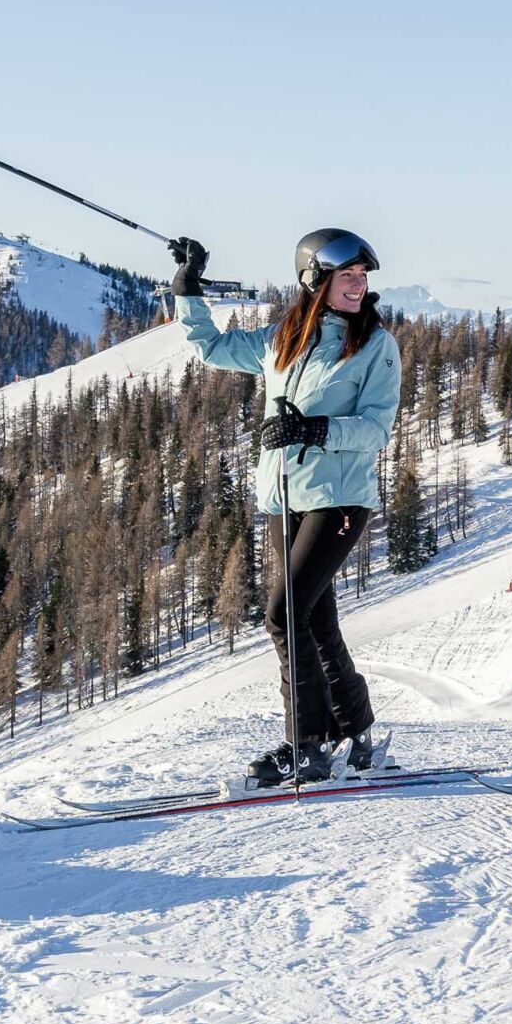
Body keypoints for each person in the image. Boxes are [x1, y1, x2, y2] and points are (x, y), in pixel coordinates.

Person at [168, 229, 400, 787]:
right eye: (347, 276)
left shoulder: (374, 345)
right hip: (283, 499)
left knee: (284, 615)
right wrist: (187, 287)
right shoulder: (284, 339)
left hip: (337, 500)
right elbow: (212, 348)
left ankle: (306, 746)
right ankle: (358, 734)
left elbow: (376, 428)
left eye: (362, 277)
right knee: (315, 617)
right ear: (314, 280)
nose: (358, 284)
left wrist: (314, 428)